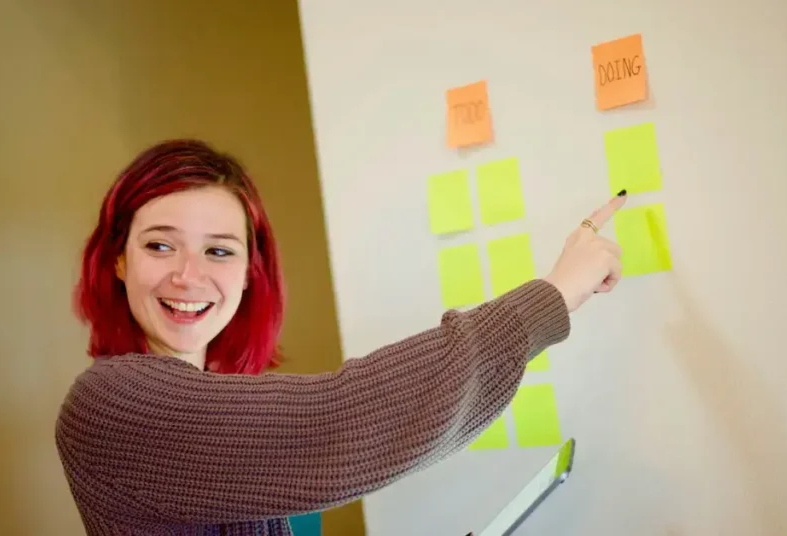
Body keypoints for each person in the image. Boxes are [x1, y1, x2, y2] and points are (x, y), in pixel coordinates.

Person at [55, 139, 626, 535]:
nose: (188, 274)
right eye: (159, 245)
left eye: (218, 250)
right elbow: (339, 420)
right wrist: (552, 295)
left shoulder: (219, 393)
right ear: (118, 262)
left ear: (249, 272)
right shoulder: (111, 402)